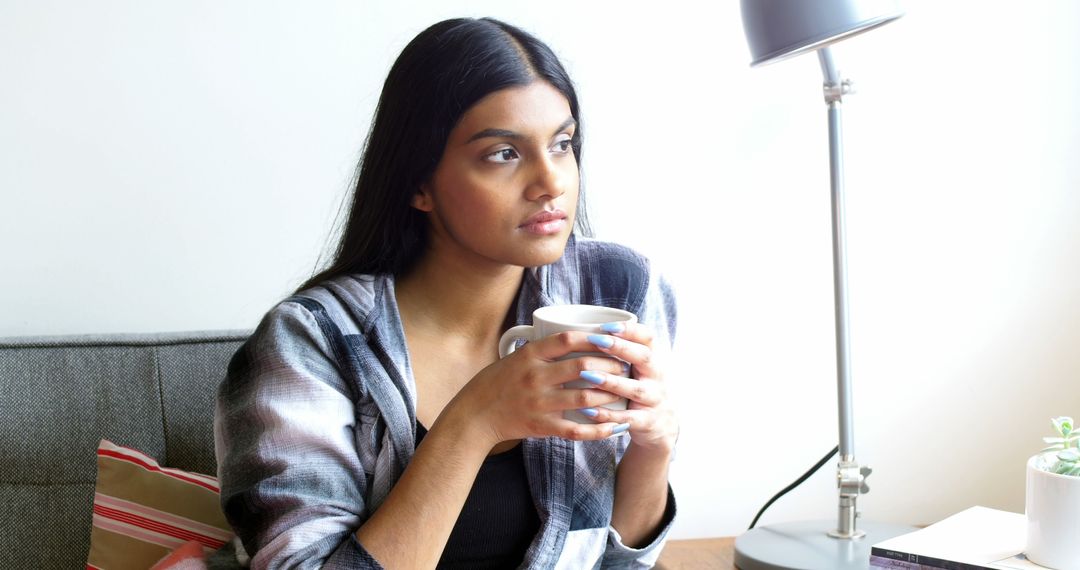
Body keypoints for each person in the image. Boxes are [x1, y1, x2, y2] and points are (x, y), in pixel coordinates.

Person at [215, 16, 678, 569]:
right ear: (418, 184)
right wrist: (475, 421)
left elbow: (619, 564)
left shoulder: (618, 288)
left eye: (561, 144)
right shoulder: (312, 342)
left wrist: (654, 449)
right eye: (503, 153)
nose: (551, 182)